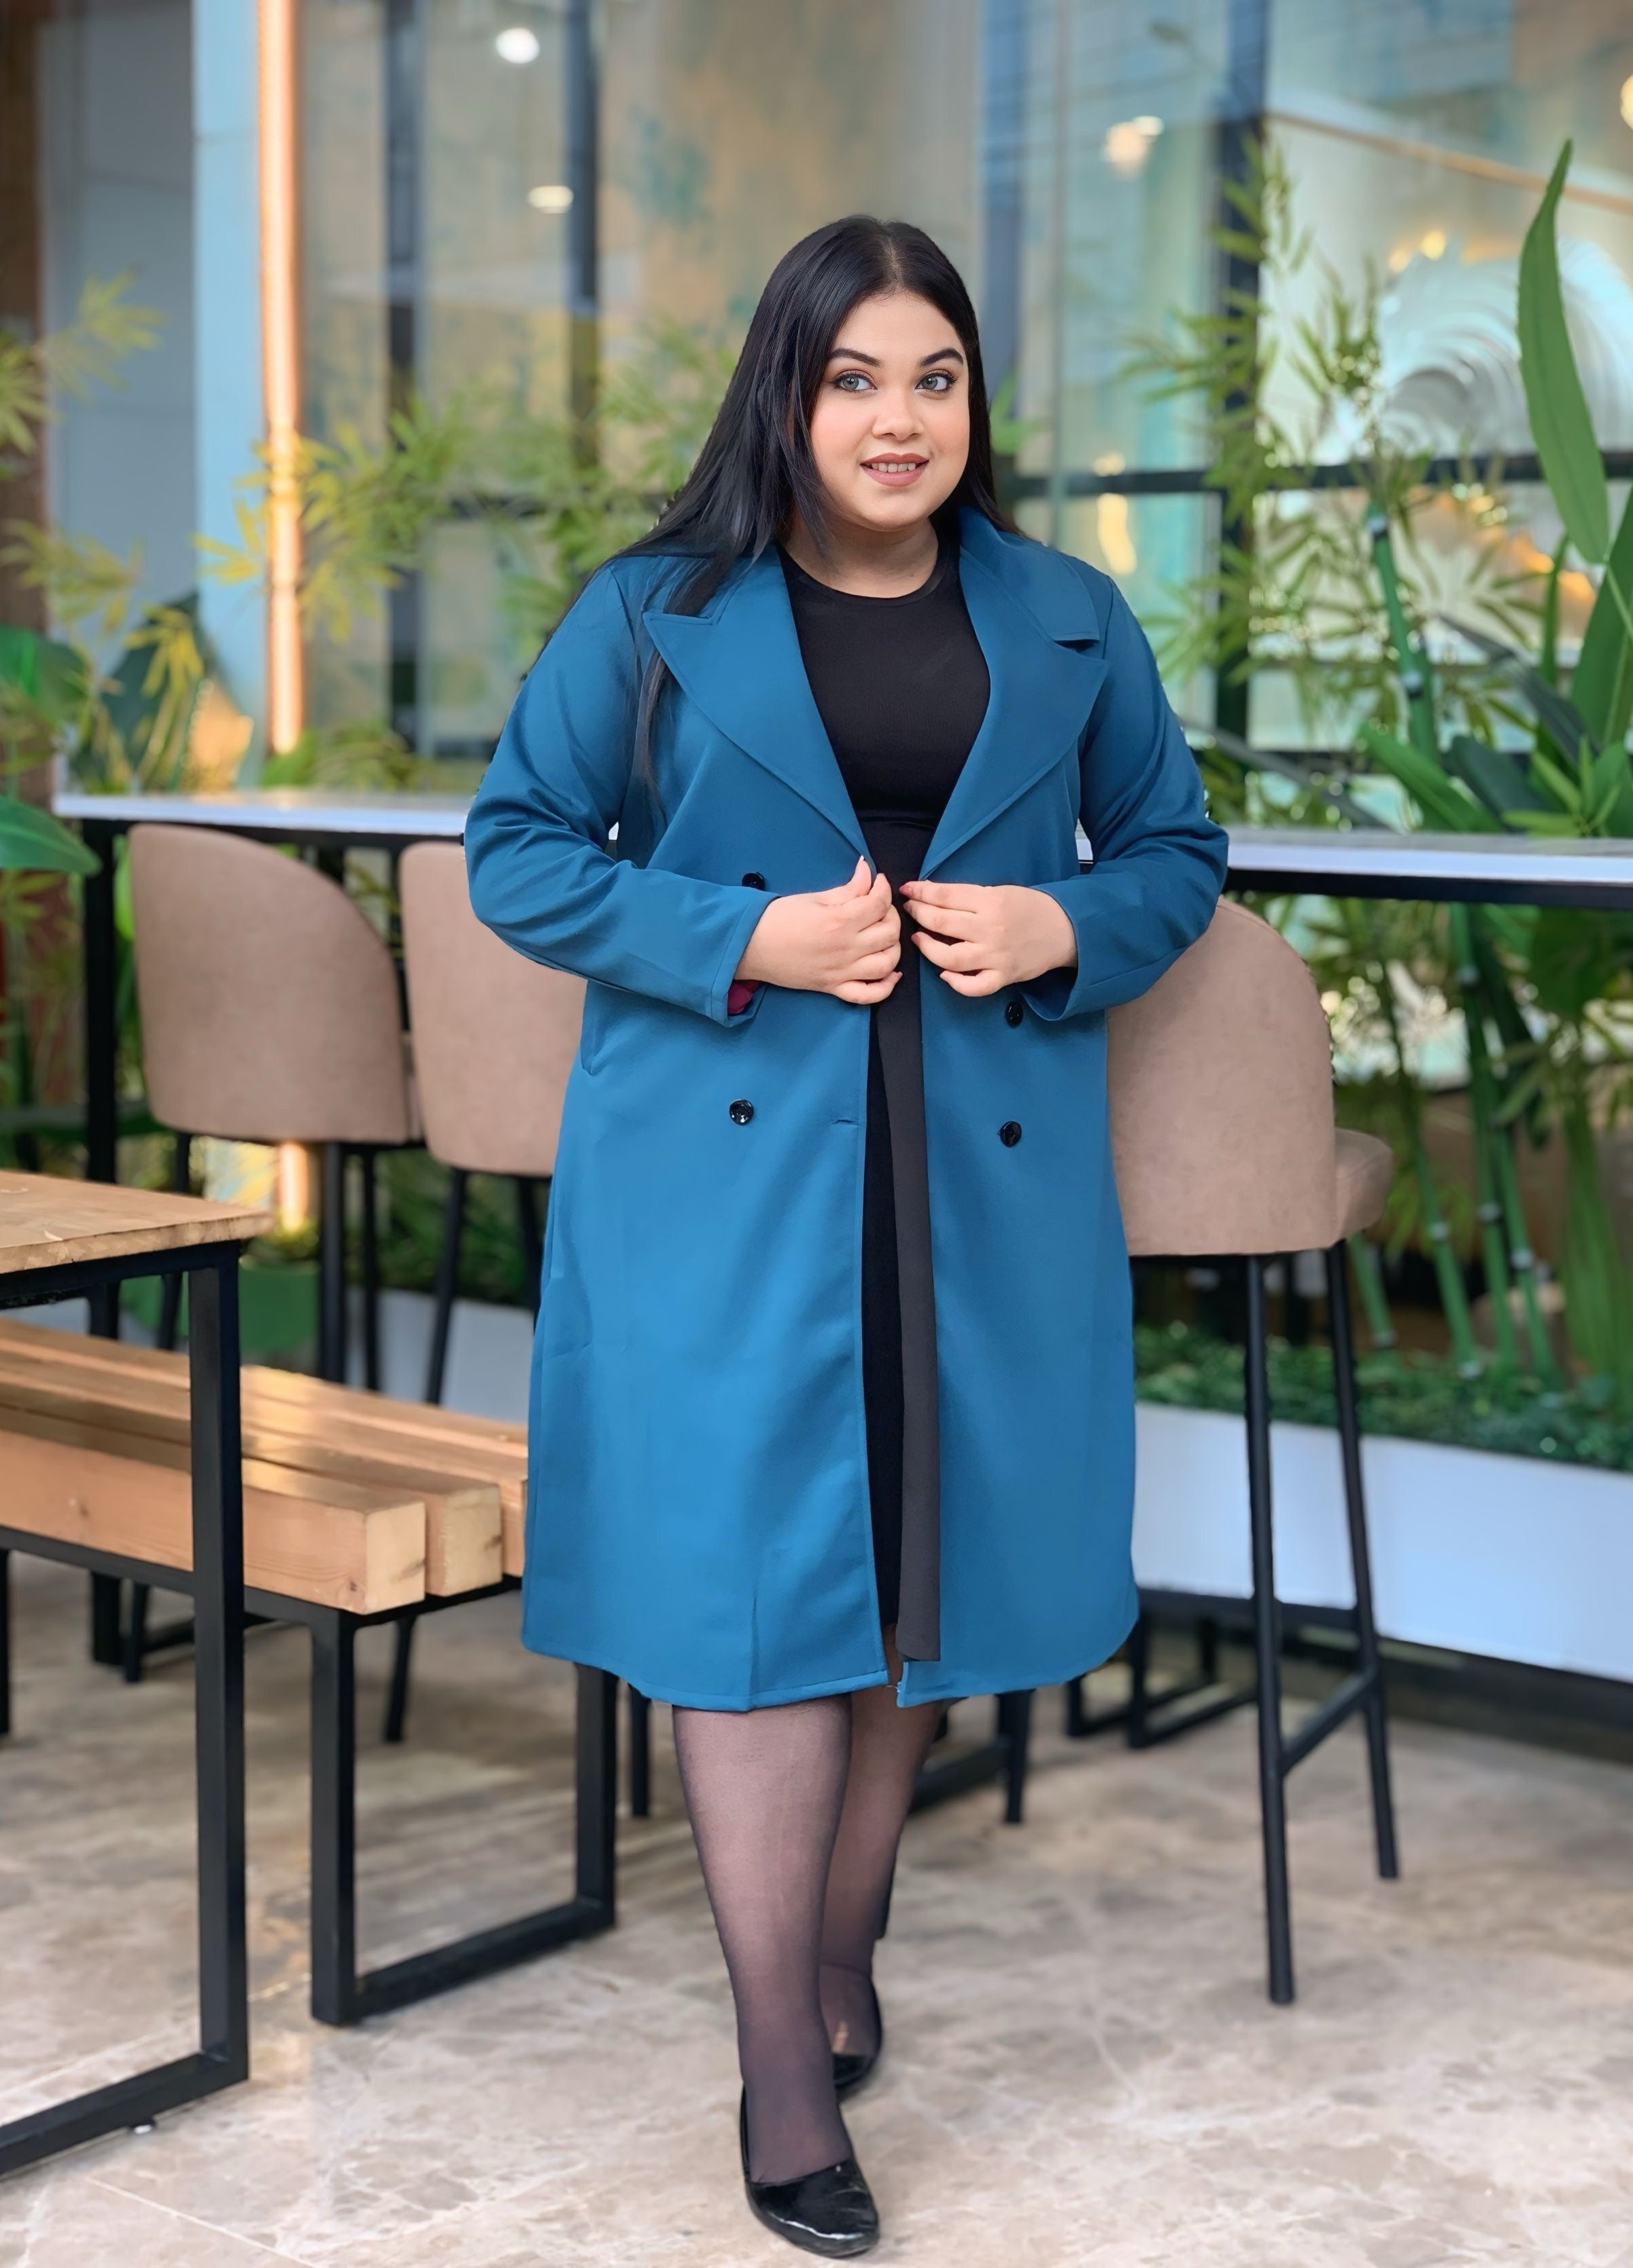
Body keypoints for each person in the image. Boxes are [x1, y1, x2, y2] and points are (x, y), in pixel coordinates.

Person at [465, 215, 1226, 2257]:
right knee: (747, 1591)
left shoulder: (1068, 617)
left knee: (923, 1548)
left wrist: (1071, 923)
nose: (899, 421)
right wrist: (743, 935)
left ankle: (846, 1926)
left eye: (937, 378)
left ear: (978, 401)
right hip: (725, 1172)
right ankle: (780, 2073)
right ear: (785, 399)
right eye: (854, 380)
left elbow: (1176, 845)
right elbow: (514, 854)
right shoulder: (653, 612)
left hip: (978, 1164)